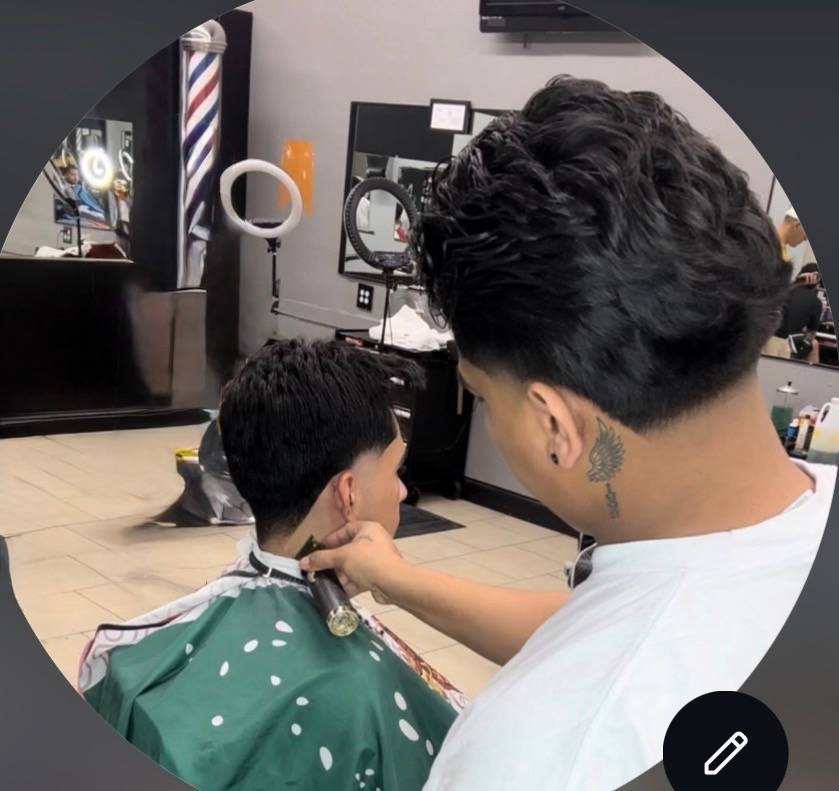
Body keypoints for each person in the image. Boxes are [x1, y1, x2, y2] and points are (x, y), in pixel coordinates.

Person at [302, 76, 837, 791]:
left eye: (480, 394)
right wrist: (399, 581)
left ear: (554, 423)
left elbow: (618, 659)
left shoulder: (539, 757)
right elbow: (610, 625)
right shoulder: (791, 525)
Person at [79, 339, 465, 791]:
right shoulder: (361, 692)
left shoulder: (136, 654)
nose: (402, 491)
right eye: (396, 471)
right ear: (348, 494)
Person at [766, 262, 825, 362]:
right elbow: (811, 334)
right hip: (787, 346)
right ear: (817, 282)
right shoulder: (816, 302)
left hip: (765, 340)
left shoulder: (782, 290)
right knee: (814, 344)